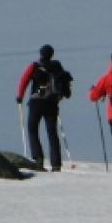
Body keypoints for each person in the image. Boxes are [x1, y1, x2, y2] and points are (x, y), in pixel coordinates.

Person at [16, 44, 72, 172]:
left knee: (32, 129)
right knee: (52, 133)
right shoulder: (57, 67)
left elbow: (23, 81)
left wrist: (20, 97)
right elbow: (63, 83)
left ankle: (38, 159)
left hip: (36, 102)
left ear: (41, 53)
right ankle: (56, 164)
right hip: (52, 103)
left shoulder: (34, 66)